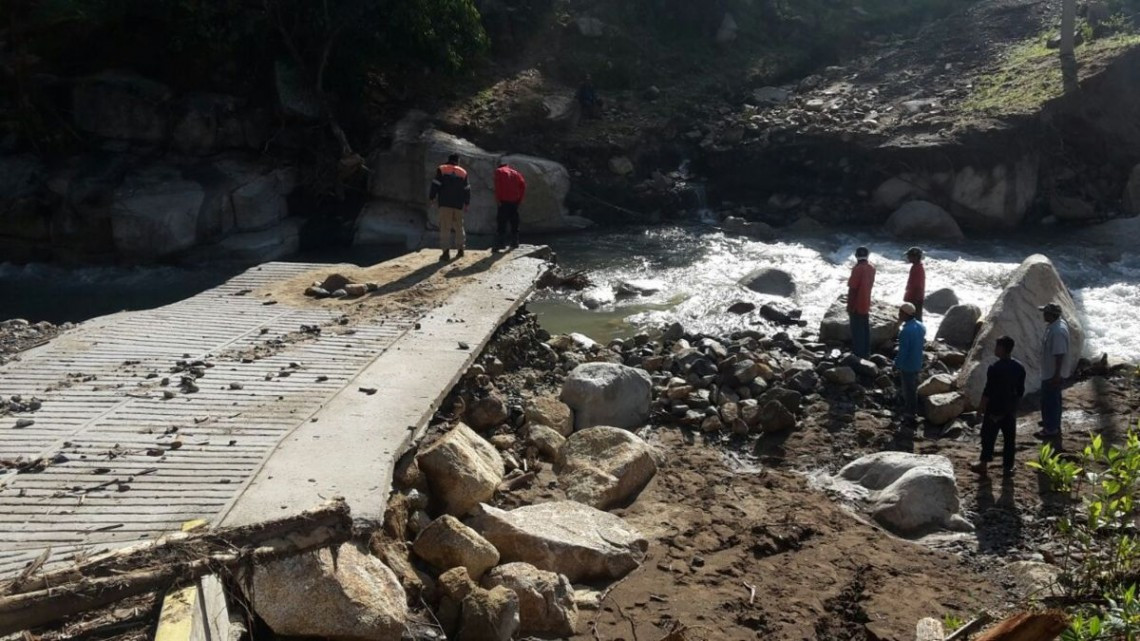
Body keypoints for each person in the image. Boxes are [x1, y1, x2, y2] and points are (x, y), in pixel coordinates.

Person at [971, 336, 1026, 476]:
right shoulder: (1019, 367)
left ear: (1002, 349)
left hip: (994, 408)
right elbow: (1020, 391)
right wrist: (1014, 406)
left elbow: (988, 390)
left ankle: (983, 464)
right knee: (1009, 439)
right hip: (1009, 409)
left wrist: (981, 408)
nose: (995, 349)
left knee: (988, 437)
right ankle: (1008, 467)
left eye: (997, 347)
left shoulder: (995, 368)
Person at [1035, 302, 1071, 440]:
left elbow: (1059, 355)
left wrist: (1056, 375)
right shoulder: (1055, 325)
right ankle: (1052, 422)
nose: (1043, 315)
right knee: (1053, 399)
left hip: (1052, 374)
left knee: (1049, 401)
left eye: (1045, 313)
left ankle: (1050, 429)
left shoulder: (1057, 332)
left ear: (1051, 315)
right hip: (1050, 371)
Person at [428, 153, 470, 261]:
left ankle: (446, 253)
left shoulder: (442, 169)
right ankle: (460, 250)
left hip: (445, 203)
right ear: (458, 161)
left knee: (445, 228)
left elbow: (436, 184)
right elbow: (467, 189)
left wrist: (432, 197)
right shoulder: (463, 172)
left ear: (449, 159)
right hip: (458, 204)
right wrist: (467, 203)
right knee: (459, 227)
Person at [894, 302, 926, 424]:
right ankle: (912, 411)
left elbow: (903, 352)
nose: (899, 314)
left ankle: (910, 414)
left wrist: (896, 364)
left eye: (900, 312)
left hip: (907, 365)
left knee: (908, 391)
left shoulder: (905, 331)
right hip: (917, 362)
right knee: (913, 388)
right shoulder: (921, 326)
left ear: (905, 314)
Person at [847, 246, 876, 358]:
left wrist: (850, 305)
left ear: (856, 256)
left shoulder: (857, 269)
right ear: (867, 255)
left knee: (856, 329)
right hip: (866, 302)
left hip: (856, 304)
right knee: (865, 328)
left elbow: (853, 289)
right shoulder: (871, 268)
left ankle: (858, 354)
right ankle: (866, 352)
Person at [493, 158, 526, 252]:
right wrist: (519, 200)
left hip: (503, 201)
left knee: (501, 222)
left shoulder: (499, 171)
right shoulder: (516, 173)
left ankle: (500, 244)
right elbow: (523, 186)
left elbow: (498, 187)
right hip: (514, 201)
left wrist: (498, 199)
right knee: (514, 221)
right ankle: (515, 242)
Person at [904, 247, 926, 321]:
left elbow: (918, 286)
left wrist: (915, 300)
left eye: (909, 256)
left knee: (915, 320)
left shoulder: (918, 268)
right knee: (913, 319)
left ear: (916, 257)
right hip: (914, 298)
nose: (908, 257)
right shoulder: (916, 266)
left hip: (915, 299)